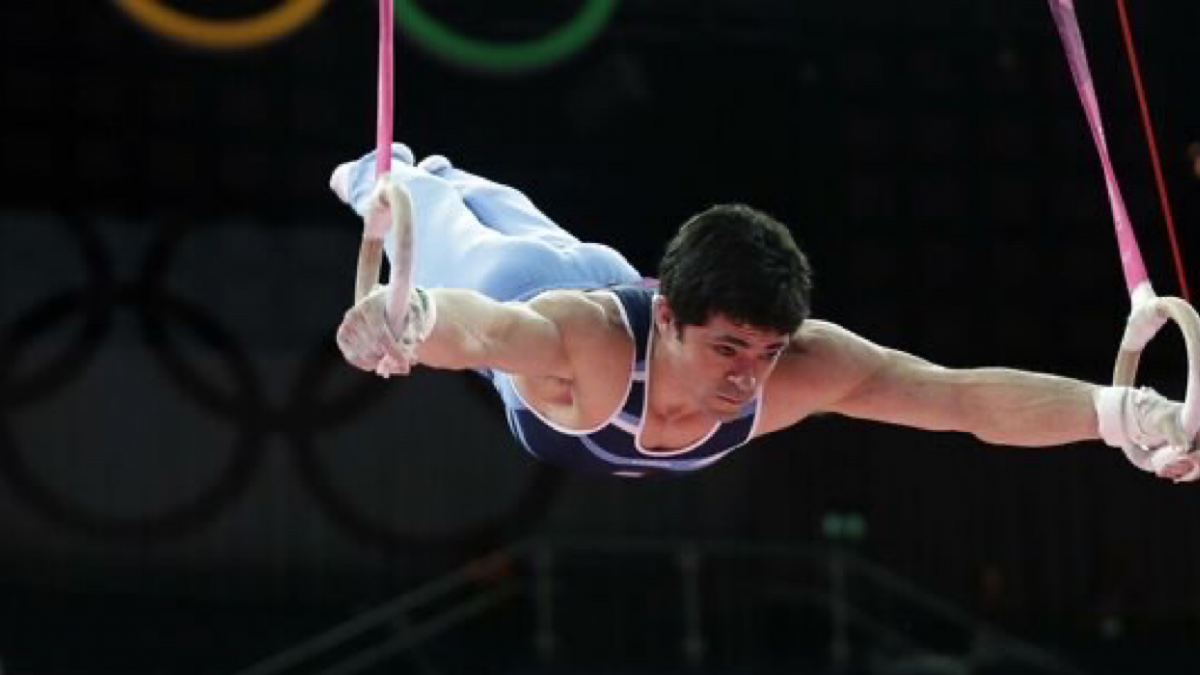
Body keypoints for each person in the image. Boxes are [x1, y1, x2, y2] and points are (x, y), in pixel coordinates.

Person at [332, 144, 1197, 481]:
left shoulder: (800, 367)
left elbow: (962, 399)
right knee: (459, 233)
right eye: (730, 347)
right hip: (524, 294)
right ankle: (397, 176)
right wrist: (404, 322)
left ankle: (434, 176)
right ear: (667, 316)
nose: (749, 375)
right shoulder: (579, 345)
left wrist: (1121, 413)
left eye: (769, 351)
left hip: (608, 280)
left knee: (549, 239)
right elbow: (479, 330)